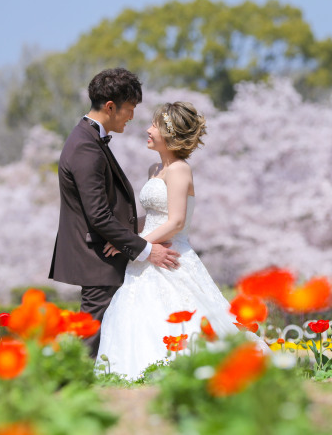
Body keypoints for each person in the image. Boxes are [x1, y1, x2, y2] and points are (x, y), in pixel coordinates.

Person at [97, 101, 251, 378]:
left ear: (170, 134)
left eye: (154, 125)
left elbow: (176, 221)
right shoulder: (154, 170)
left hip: (170, 255)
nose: (147, 129)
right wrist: (124, 234)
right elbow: (152, 217)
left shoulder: (180, 169)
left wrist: (131, 245)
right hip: (146, 254)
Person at [49, 68, 180, 358]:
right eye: (130, 109)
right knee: (91, 337)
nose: (132, 117)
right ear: (111, 106)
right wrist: (146, 250)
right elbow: (98, 215)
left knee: (100, 332)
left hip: (103, 252)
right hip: (96, 256)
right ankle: (66, 391)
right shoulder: (86, 146)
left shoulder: (89, 138)